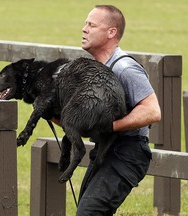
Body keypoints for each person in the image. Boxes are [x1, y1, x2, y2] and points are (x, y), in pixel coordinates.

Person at [75, 5, 161, 215]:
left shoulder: (125, 69)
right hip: (105, 149)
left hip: (128, 152)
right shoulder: (96, 69)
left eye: (92, 25)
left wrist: (111, 126)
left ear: (111, 32)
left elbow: (152, 111)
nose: (84, 29)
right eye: (85, 24)